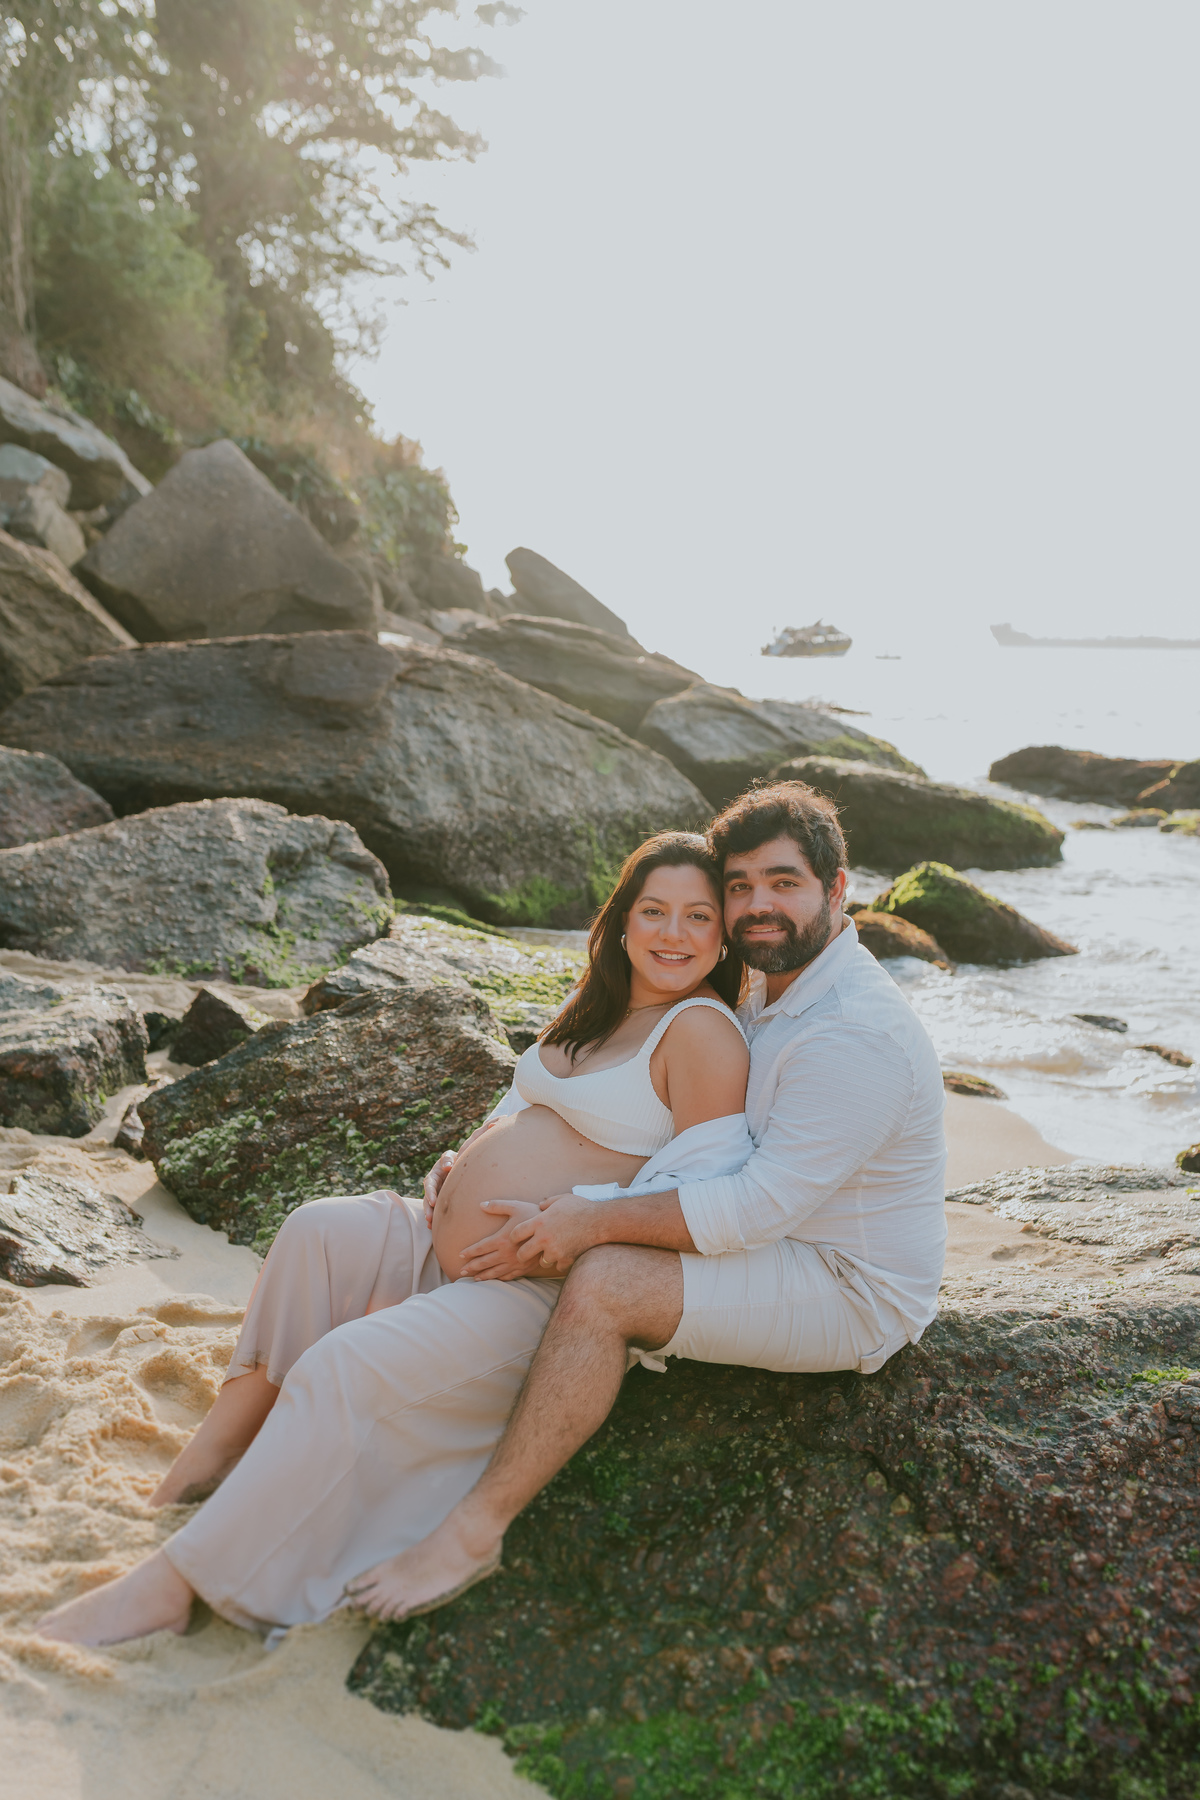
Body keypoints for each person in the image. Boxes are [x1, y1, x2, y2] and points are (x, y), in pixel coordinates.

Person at [33, 831, 753, 1646]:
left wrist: (569, 1220)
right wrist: (463, 1161)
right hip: (448, 1246)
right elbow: (521, 1108)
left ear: (723, 937)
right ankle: (216, 1457)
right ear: (621, 922)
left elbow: (703, 1192)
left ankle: (180, 1584)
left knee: (344, 1364)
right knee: (313, 1233)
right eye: (654, 910)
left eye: (698, 916)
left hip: (538, 1287)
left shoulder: (702, 1032)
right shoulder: (600, 1006)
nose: (674, 933)